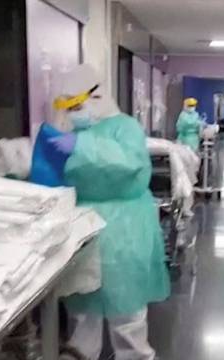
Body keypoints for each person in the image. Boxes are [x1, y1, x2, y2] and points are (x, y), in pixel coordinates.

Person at [48, 64, 170, 360]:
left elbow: (129, 163)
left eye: (78, 105)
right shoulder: (73, 132)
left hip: (125, 224)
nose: (74, 112)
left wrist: (83, 145)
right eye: (70, 107)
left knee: (125, 301)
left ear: (97, 97)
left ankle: (134, 355)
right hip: (83, 222)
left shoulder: (125, 126)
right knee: (82, 299)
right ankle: (81, 353)